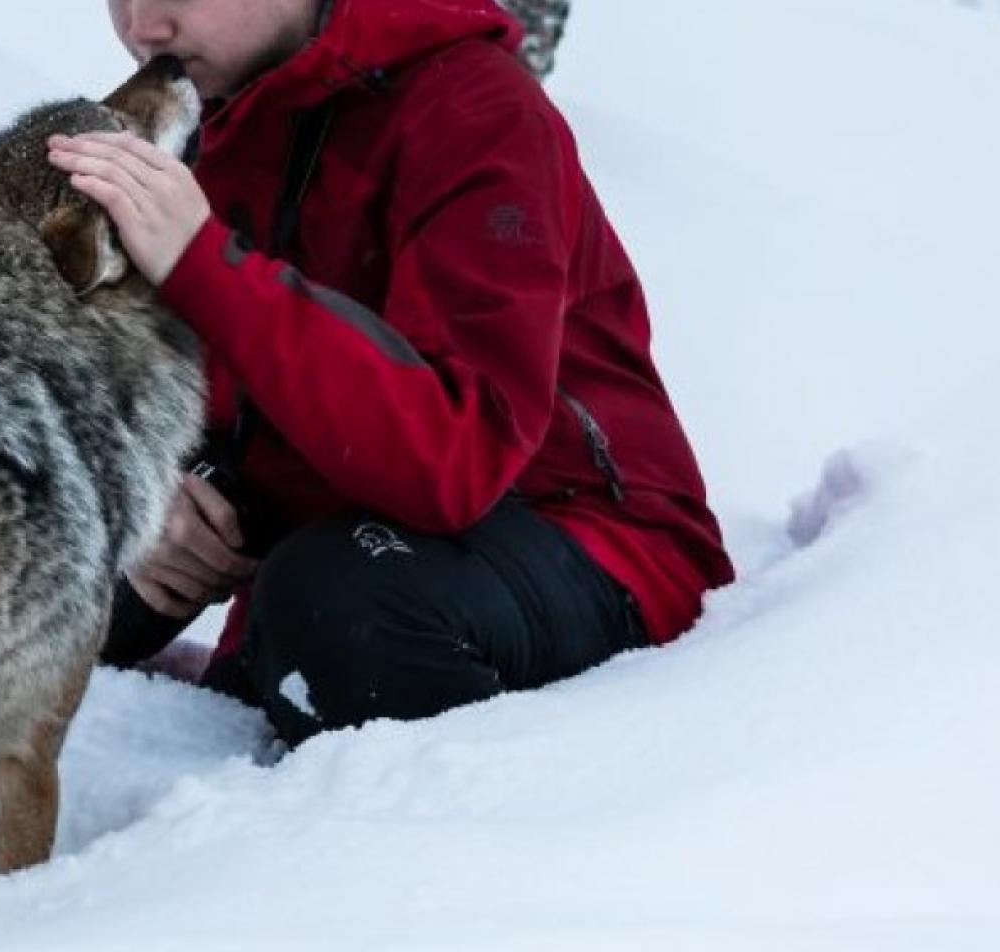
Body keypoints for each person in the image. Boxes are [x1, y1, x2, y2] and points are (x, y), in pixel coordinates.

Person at [46, 0, 734, 746]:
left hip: (591, 541)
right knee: (61, 596)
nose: (143, 26)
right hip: (349, 542)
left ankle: (569, 834)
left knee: (337, 608)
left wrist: (203, 263)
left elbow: (458, 458)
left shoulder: (476, 110)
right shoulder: (215, 116)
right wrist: (164, 506)